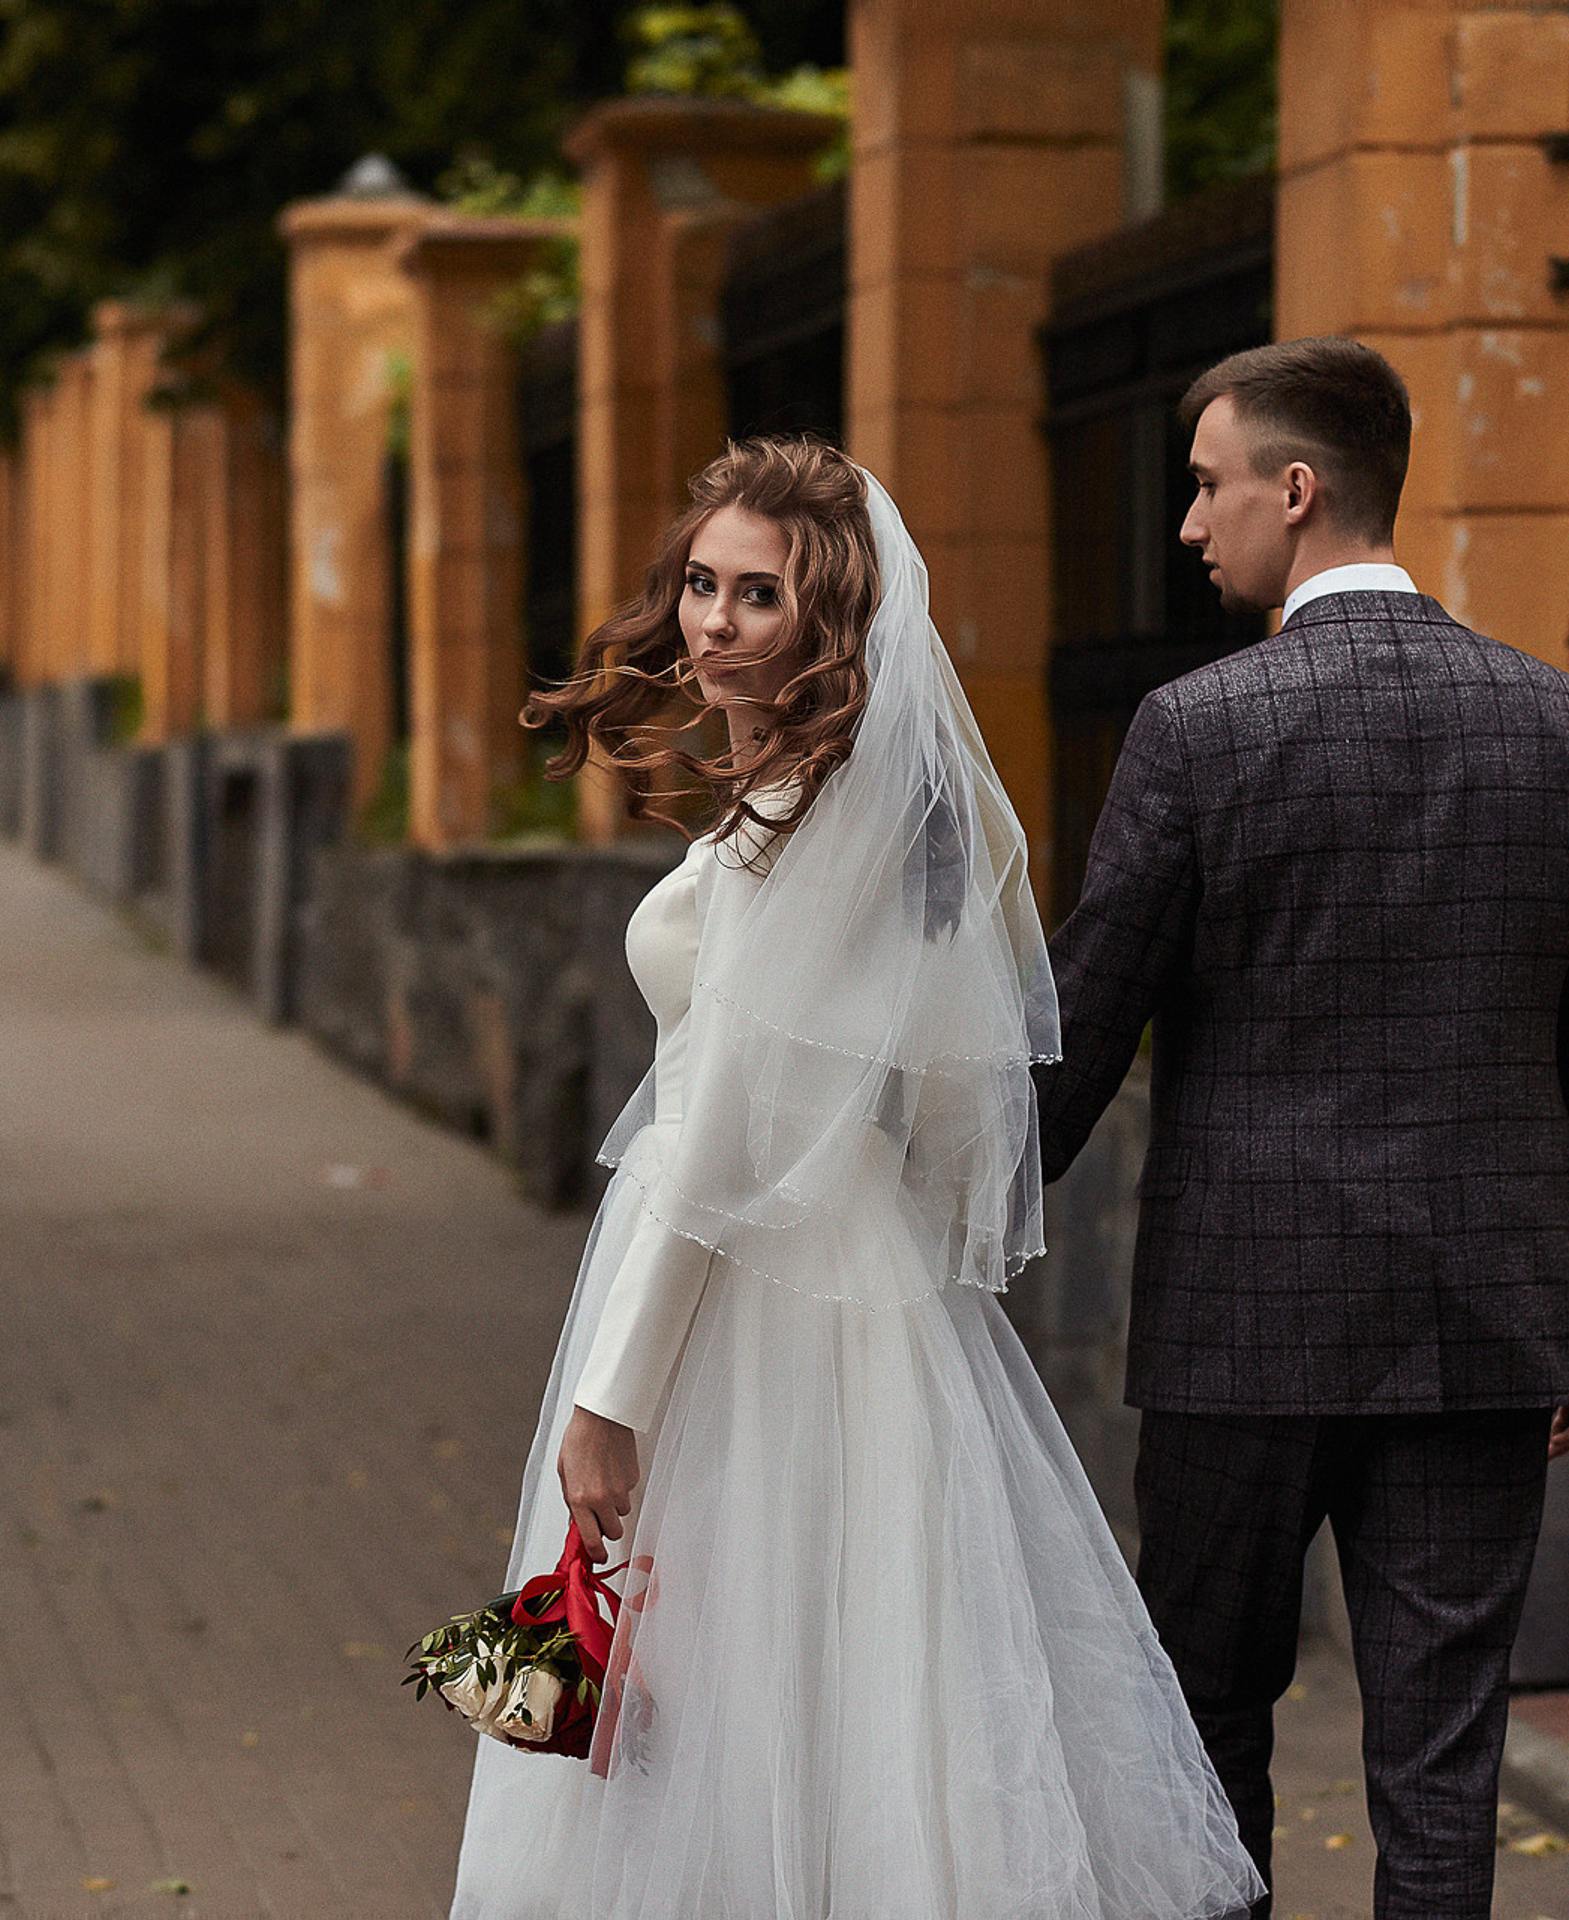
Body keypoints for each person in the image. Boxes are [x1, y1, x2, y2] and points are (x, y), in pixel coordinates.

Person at [448, 437, 1263, 1917]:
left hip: (749, 1292)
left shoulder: (814, 821)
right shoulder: (865, 805)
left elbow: (721, 1128)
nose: (714, 622)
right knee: (814, 1672)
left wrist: (612, 1397)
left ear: (831, 621)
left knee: (767, 1672)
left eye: (760, 595)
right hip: (850, 1275)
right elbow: (944, 1107)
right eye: (702, 583)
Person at [1033, 337, 1569, 1919]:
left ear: (1297, 488)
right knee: (1444, 1761)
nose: (1188, 523)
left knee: (1207, 1728)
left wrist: (938, 1208)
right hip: (1482, 1323)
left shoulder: (1196, 729)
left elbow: (1085, 1021)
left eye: (1207, 487)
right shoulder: (1550, 723)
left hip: (1240, 1328)